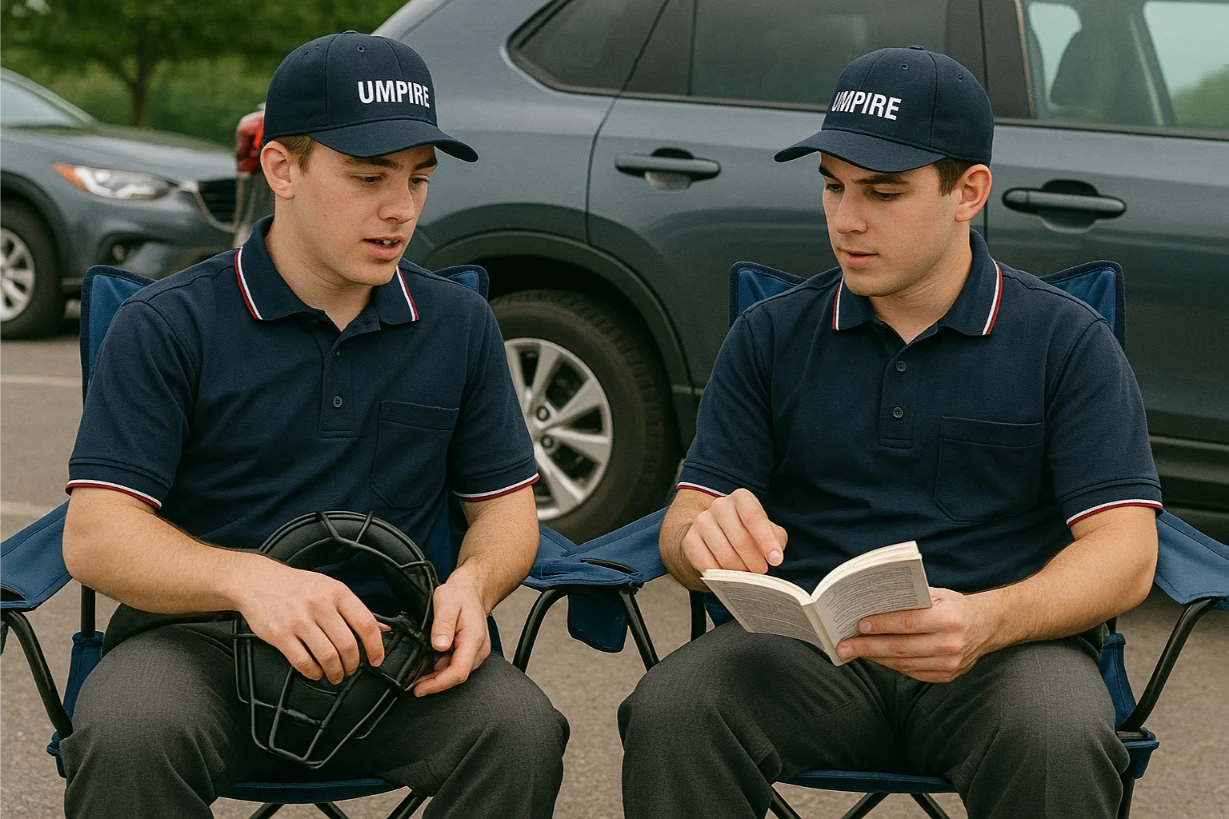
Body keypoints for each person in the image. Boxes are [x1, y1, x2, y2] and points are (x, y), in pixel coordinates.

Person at [619, 46, 1162, 819]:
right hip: (808, 657)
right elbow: (684, 521)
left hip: (1002, 657)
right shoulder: (769, 334)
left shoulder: (1063, 341)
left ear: (967, 191)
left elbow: (1126, 552)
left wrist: (985, 619)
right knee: (674, 706)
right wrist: (699, 541)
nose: (846, 219)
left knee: (1056, 731)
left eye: (882, 191)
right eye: (832, 187)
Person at [59, 31, 567, 819]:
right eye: (367, 177)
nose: (399, 208)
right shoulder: (168, 324)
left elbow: (503, 510)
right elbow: (95, 536)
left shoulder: (457, 322)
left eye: (417, 179)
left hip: (394, 651)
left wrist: (474, 581)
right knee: (127, 730)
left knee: (520, 728)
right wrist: (246, 578)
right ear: (281, 168)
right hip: (198, 648)